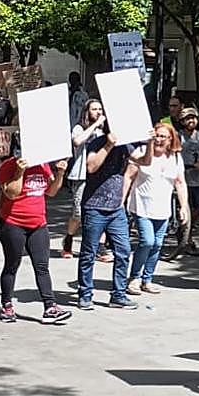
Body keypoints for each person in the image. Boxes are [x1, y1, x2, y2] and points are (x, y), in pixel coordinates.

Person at [0, 154, 72, 324]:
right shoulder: (8, 166)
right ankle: (7, 305)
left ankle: (50, 307)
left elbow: (51, 191)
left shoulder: (43, 164)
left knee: (42, 266)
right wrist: (19, 171)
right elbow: (11, 194)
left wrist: (60, 173)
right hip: (13, 223)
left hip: (38, 224)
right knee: (12, 265)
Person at [77, 125, 143, 310]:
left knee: (123, 251)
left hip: (116, 209)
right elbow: (91, 167)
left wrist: (151, 143)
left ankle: (118, 295)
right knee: (89, 253)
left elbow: (144, 161)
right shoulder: (96, 143)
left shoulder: (126, 145)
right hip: (94, 207)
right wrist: (108, 145)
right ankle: (85, 295)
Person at [127, 123, 188, 294]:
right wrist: (121, 201)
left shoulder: (176, 158)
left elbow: (180, 183)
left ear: (170, 140)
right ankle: (135, 277)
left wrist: (183, 206)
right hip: (141, 206)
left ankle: (147, 279)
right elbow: (129, 176)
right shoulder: (142, 151)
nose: (159, 140)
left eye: (163, 137)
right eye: (157, 136)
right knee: (147, 241)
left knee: (157, 244)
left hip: (162, 209)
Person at [63, 99, 106, 258]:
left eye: (100, 109)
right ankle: (68, 239)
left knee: (102, 211)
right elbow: (77, 141)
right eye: (94, 109)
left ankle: (100, 247)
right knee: (78, 213)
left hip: (100, 175)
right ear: (87, 112)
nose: (98, 112)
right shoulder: (79, 128)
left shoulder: (104, 131)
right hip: (81, 176)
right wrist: (95, 126)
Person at [178, 107, 199, 256]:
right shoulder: (179, 136)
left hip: (198, 177)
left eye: (193, 118)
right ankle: (187, 239)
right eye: (187, 118)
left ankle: (188, 231)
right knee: (184, 207)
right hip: (183, 177)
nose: (191, 121)